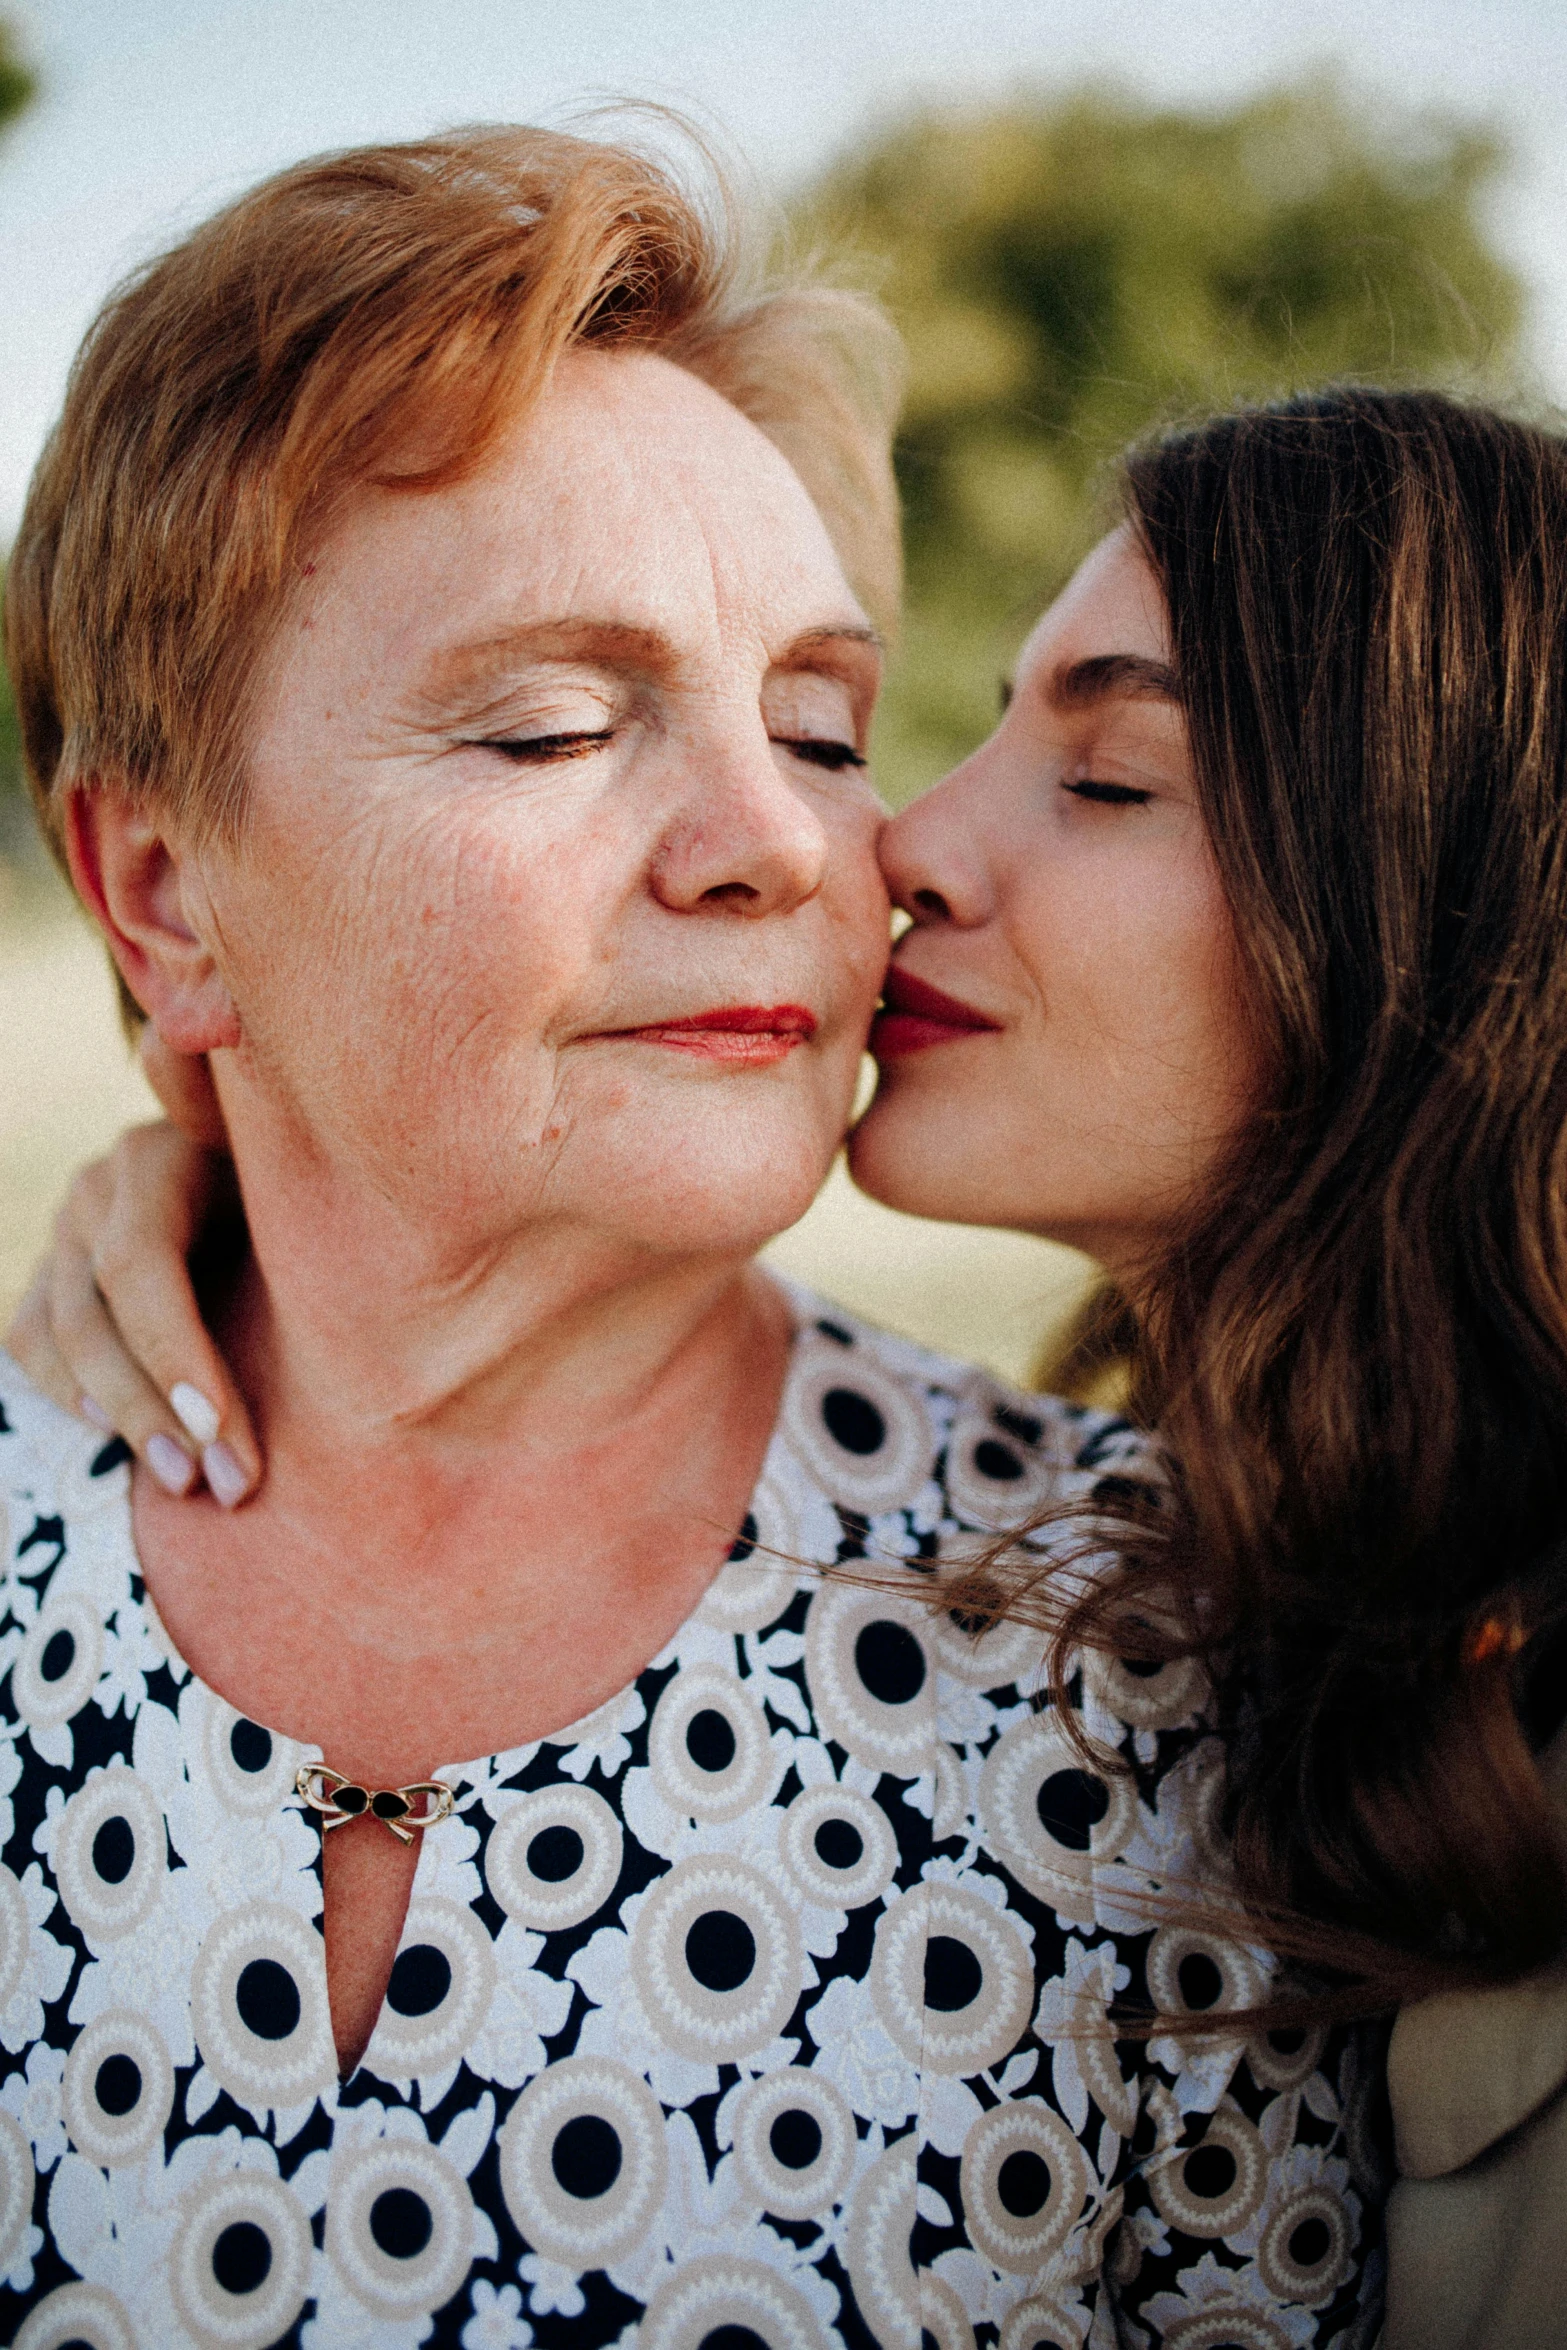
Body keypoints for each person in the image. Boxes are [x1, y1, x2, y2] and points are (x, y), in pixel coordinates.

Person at [0, 124, 1380, 2350]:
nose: (789, 841)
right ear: (165, 899)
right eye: (554, 721)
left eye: (822, 723)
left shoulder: (1162, 1657)